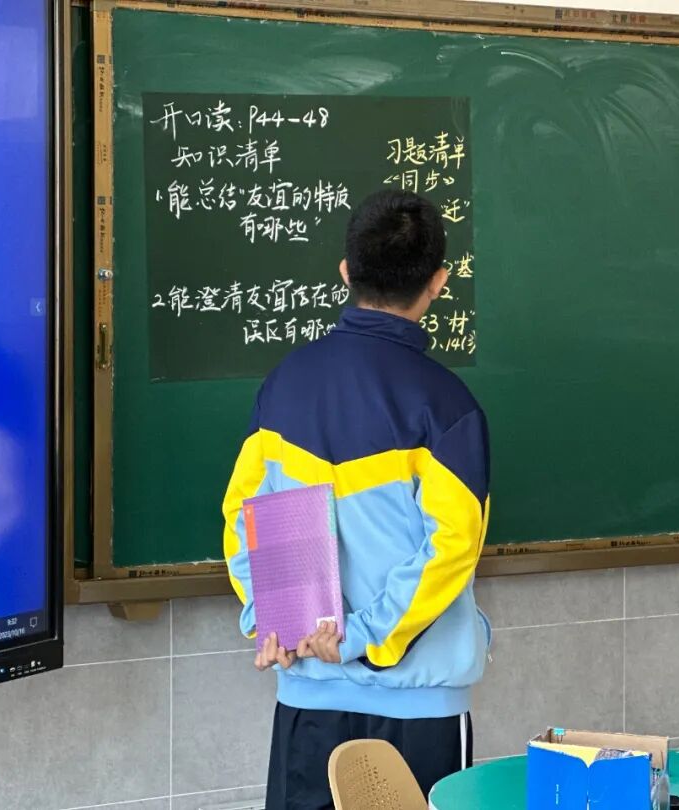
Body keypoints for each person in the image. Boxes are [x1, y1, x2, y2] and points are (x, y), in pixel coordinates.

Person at [222, 189, 492, 809]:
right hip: (417, 707)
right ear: (439, 282)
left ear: (346, 272)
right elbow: (451, 548)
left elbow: (244, 516)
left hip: (306, 697)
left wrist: (271, 618)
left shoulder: (283, 387)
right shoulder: (448, 406)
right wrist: (362, 638)